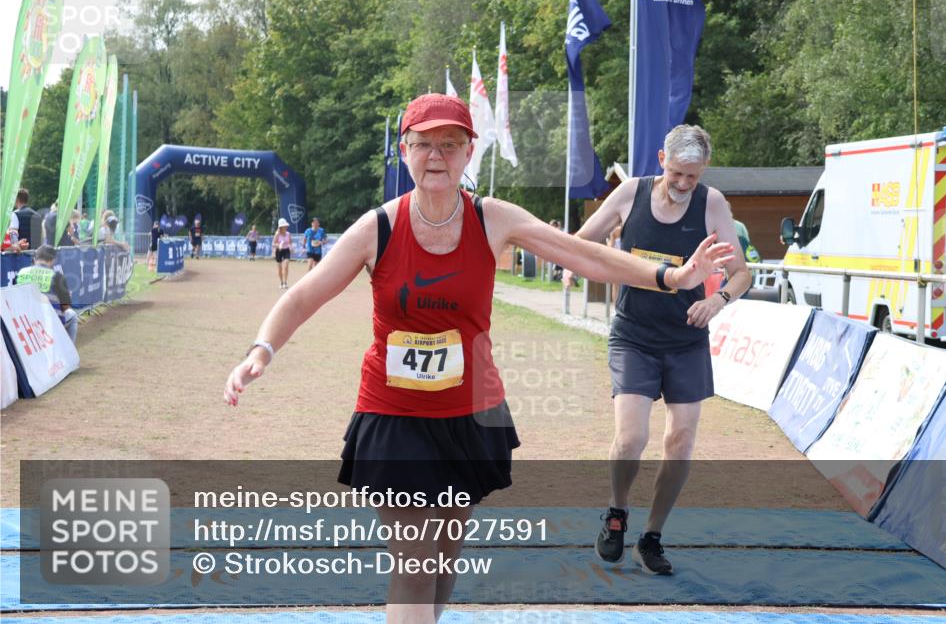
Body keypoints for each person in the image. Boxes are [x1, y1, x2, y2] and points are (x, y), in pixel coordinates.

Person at [223, 94, 732, 623]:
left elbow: (583, 253)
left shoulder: (492, 219)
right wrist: (262, 349)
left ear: (469, 152)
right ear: (404, 152)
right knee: (415, 565)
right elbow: (304, 295)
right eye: (423, 144)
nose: (435, 156)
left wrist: (670, 278)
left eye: (449, 144)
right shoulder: (379, 227)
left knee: (443, 562)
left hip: (470, 414)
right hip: (396, 415)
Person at [564, 124, 751, 576]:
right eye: (679, 174)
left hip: (686, 339)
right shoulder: (630, 194)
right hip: (634, 336)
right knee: (632, 438)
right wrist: (572, 266)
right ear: (661, 158)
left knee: (680, 442)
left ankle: (652, 536)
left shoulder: (713, 205)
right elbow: (580, 241)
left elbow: (741, 273)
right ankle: (616, 513)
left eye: (694, 176)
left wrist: (716, 300)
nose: (685, 184)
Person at [14, 244, 78, 342]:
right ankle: (68, 352)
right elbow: (65, 308)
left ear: (35, 258)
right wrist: (67, 297)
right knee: (72, 315)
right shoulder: (57, 276)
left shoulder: (20, 273)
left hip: (23, 321)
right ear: (52, 260)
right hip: (49, 322)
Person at [272, 218, 292, 289]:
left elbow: (290, 243)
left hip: (286, 250)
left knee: (286, 266)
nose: (286, 227)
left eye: (286, 226)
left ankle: (285, 282)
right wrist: (278, 245)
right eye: (284, 226)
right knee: (280, 268)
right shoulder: (277, 234)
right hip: (279, 251)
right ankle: (281, 282)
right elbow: (273, 244)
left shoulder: (288, 234)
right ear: (281, 227)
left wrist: (291, 248)